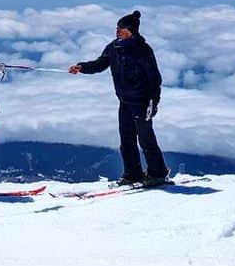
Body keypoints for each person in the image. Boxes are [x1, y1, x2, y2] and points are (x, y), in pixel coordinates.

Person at [68, 10, 169, 185]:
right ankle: (132, 174)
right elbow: (100, 64)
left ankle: (158, 173)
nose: (117, 31)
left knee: (146, 139)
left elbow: (154, 79)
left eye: (121, 29)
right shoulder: (114, 48)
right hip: (124, 102)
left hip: (142, 102)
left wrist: (153, 102)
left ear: (131, 31)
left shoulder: (143, 50)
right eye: (117, 28)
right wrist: (81, 67)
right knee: (126, 140)